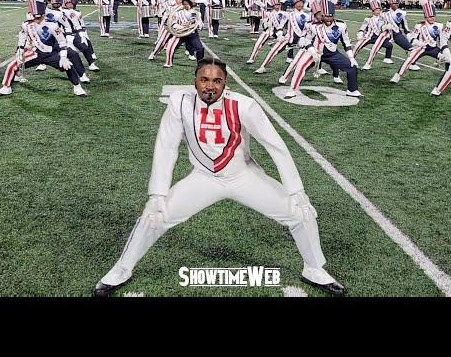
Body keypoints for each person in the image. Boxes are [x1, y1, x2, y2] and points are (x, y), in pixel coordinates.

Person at [93, 57, 346, 297]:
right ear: (194, 80)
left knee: (301, 212)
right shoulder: (179, 101)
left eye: (217, 81)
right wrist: (158, 193)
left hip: (242, 176)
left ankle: (313, 268)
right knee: (154, 214)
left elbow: (275, 145)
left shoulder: (244, 105)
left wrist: (296, 190)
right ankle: (122, 269)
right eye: (204, 79)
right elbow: (166, 146)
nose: (210, 86)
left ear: (226, 83)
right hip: (204, 178)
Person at [390, 0, 444, 84]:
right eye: (429, 16)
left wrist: (443, 52)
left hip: (433, 48)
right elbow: (411, 37)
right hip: (421, 48)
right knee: (408, 60)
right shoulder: (419, 25)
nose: (432, 18)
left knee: (448, 59)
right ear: (425, 16)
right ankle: (397, 76)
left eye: (433, 16)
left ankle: (450, 76)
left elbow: (442, 40)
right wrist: (419, 43)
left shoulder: (439, 26)